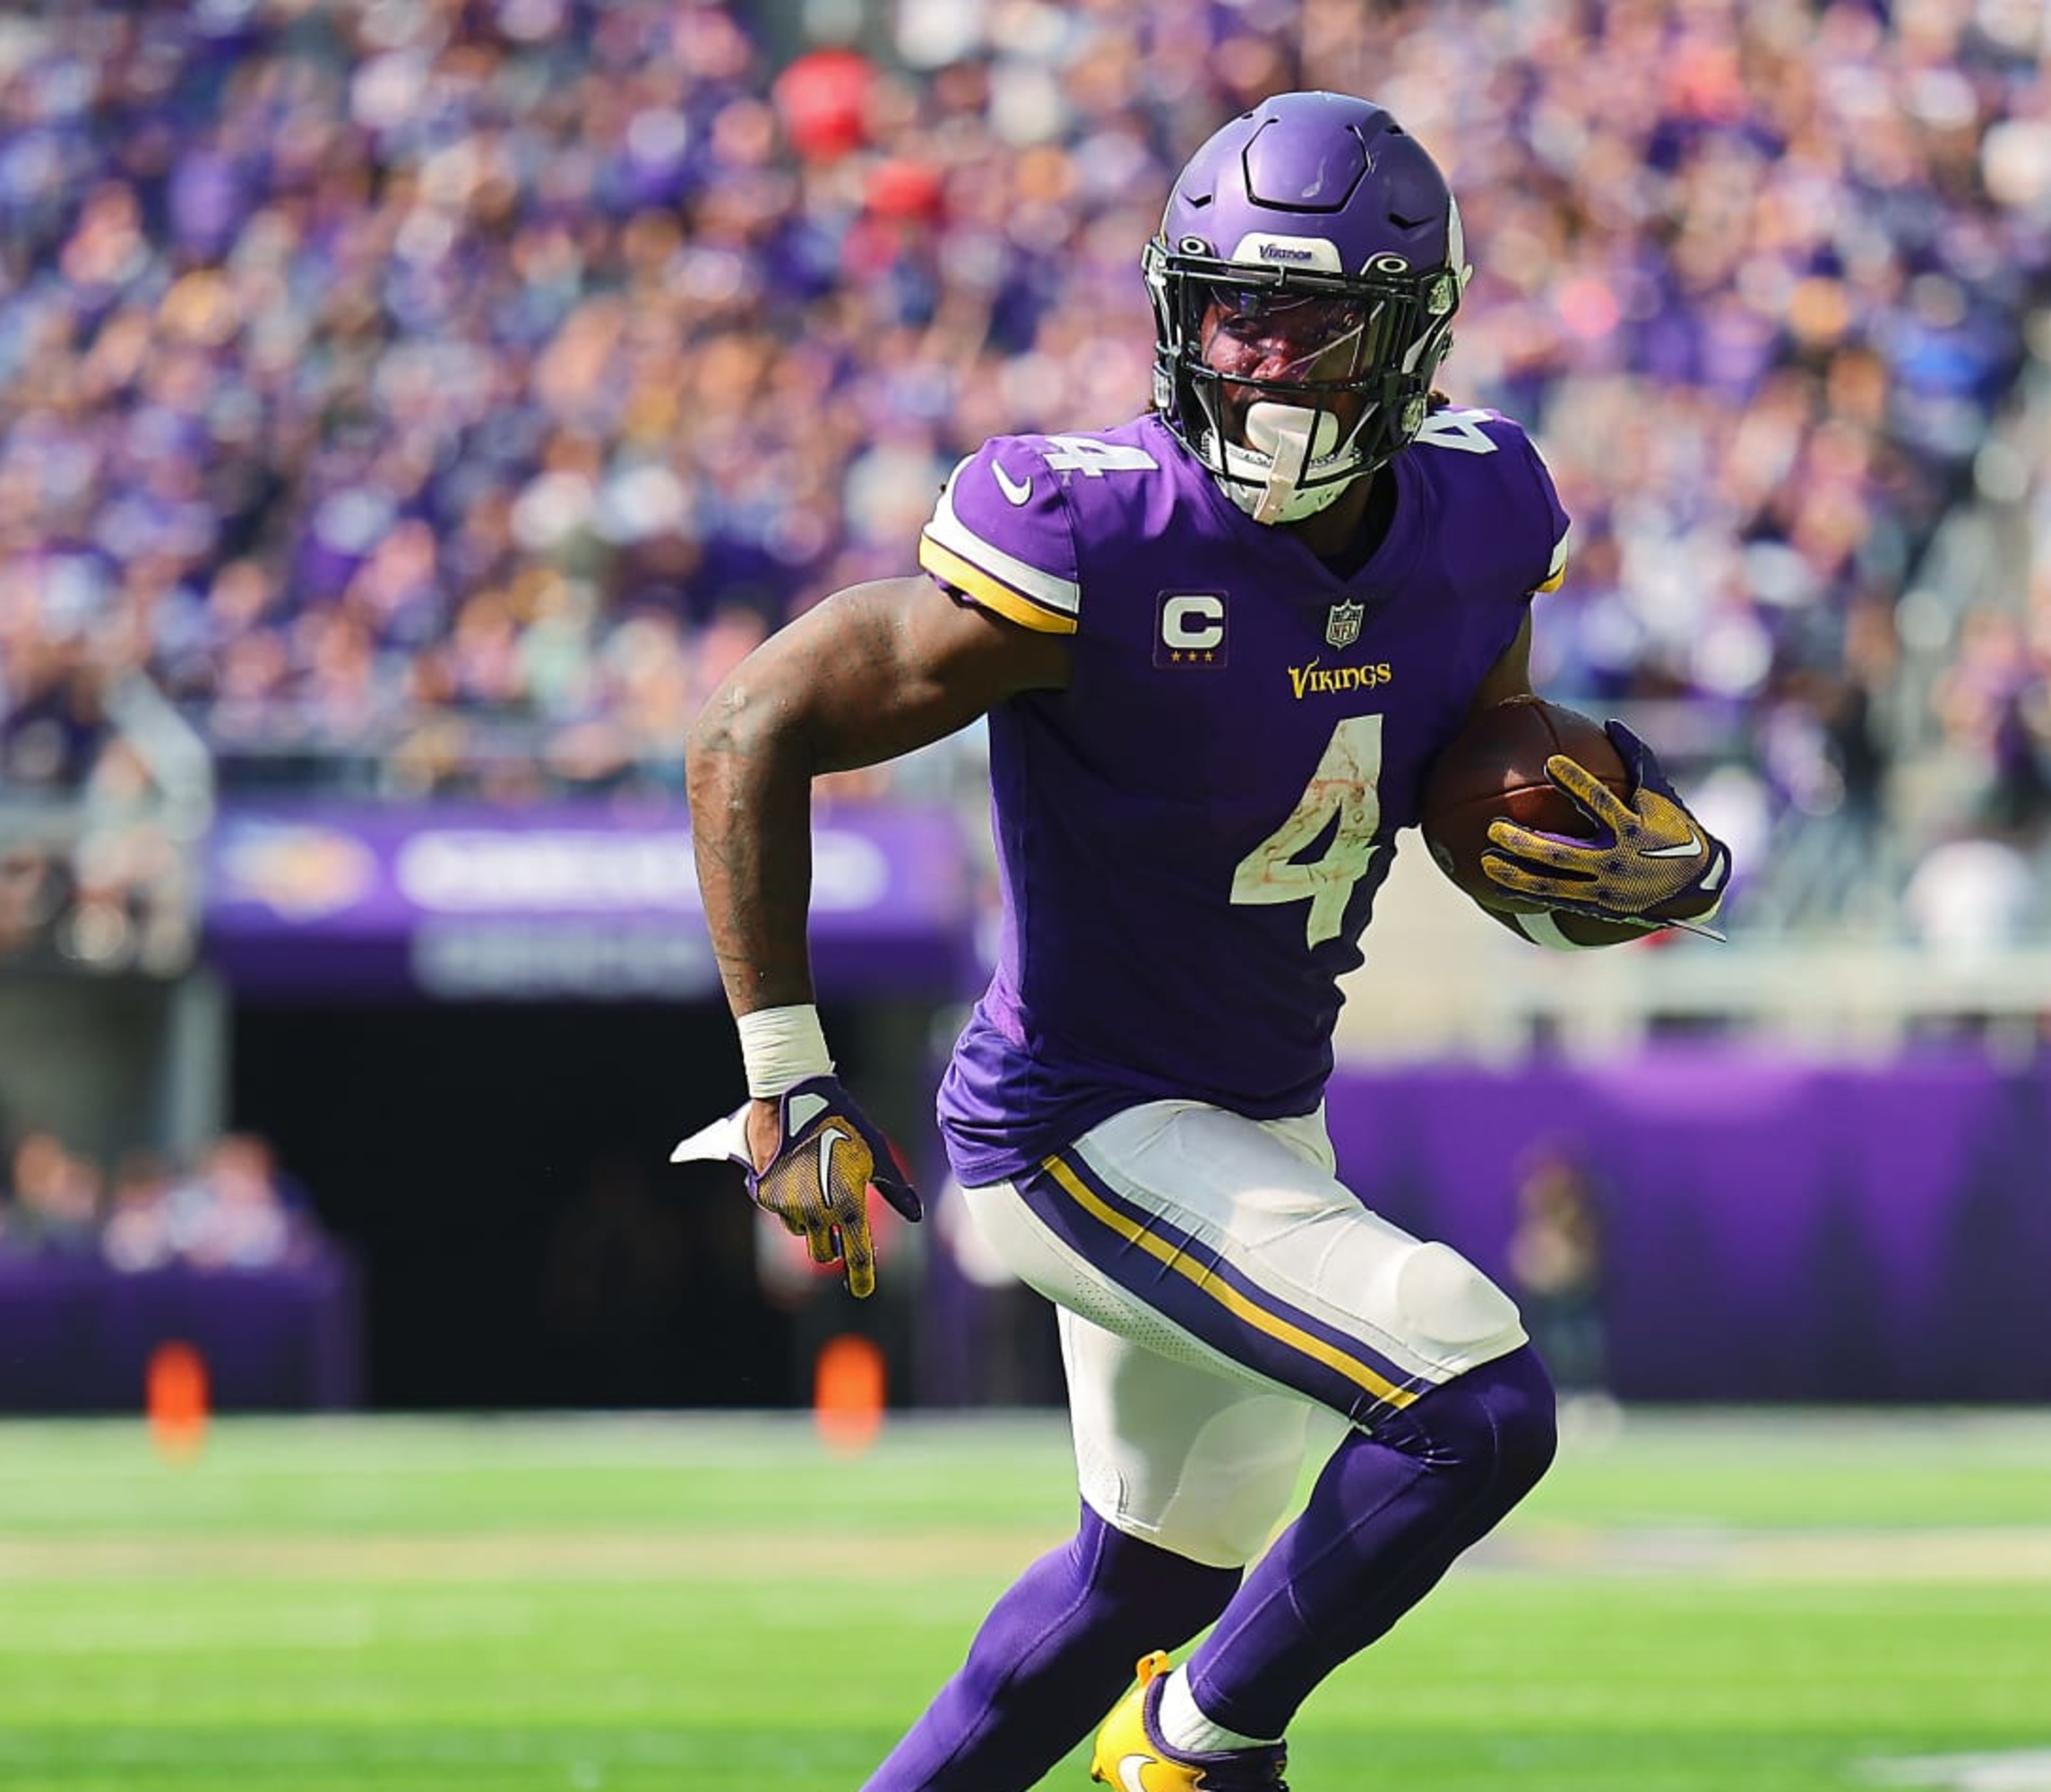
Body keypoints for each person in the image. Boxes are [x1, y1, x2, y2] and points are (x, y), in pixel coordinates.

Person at [673, 92, 1729, 1792]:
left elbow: (1486, 740)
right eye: (1232, 310)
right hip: (1076, 1126)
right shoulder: (1093, 530)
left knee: (1141, 1581)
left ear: (1413, 338)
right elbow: (752, 727)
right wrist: (785, 1075)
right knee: (1474, 1399)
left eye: (1314, 322)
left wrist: (1553, 843)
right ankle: (1193, 1749)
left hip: (1255, 1117)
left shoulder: (1482, 512)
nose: (1262, 359)